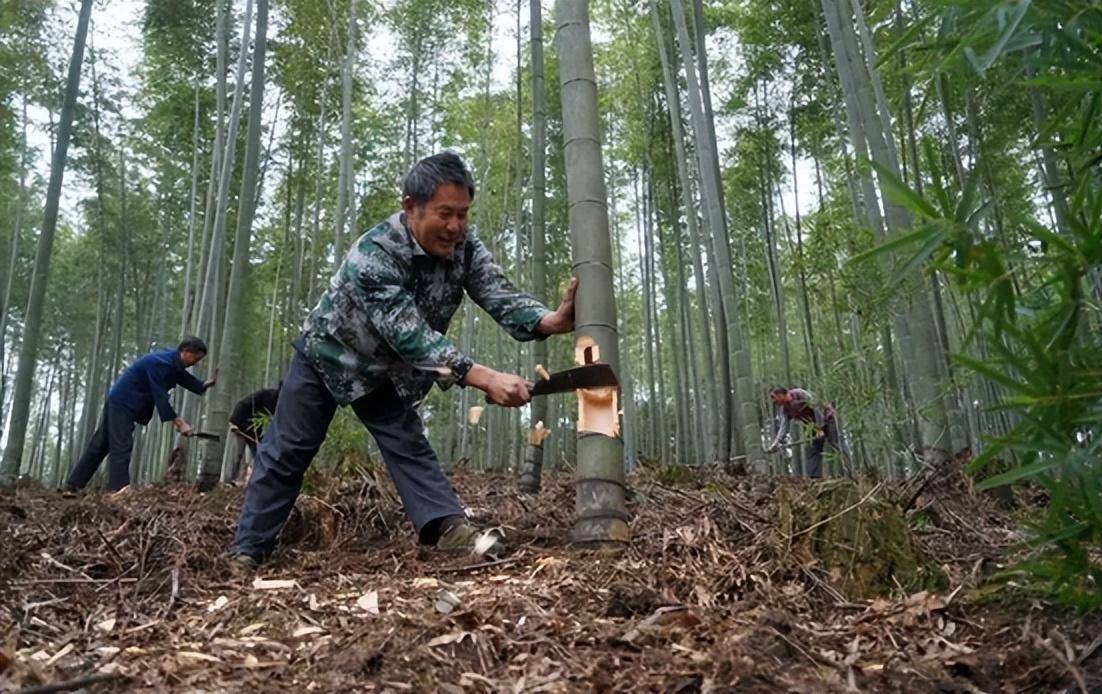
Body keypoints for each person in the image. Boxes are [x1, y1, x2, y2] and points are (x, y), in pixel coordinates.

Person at [230, 152, 577, 569]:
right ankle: (248, 551)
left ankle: (448, 531)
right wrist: (484, 377)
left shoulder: (464, 247)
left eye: (463, 214)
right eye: (444, 213)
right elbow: (410, 336)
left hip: (386, 370)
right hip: (328, 355)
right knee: (288, 449)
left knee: (407, 443)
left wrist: (548, 321)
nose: (454, 227)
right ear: (411, 207)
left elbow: (497, 293)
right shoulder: (374, 254)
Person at [66, 337, 217, 492]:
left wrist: (204, 384)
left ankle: (73, 484)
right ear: (185, 352)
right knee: (122, 444)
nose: (195, 363)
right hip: (123, 401)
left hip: (123, 400)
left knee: (100, 444)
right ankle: (119, 489)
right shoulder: (161, 363)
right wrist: (180, 423)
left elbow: (184, 378)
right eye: (196, 358)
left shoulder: (172, 363)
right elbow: (160, 396)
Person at [766, 387, 839, 478]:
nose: (774, 402)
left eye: (774, 397)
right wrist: (777, 442)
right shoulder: (785, 409)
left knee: (837, 445)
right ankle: (815, 479)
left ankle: (850, 475)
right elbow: (784, 426)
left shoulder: (799, 394)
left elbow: (817, 408)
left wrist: (821, 428)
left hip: (828, 419)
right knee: (813, 450)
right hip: (813, 426)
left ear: (781, 394)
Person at [224, 386, 280, 484]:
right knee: (237, 454)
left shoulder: (279, 402)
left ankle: (255, 480)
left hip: (255, 432)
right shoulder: (265, 396)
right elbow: (241, 405)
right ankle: (230, 480)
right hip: (241, 427)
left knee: (258, 454)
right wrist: (234, 423)